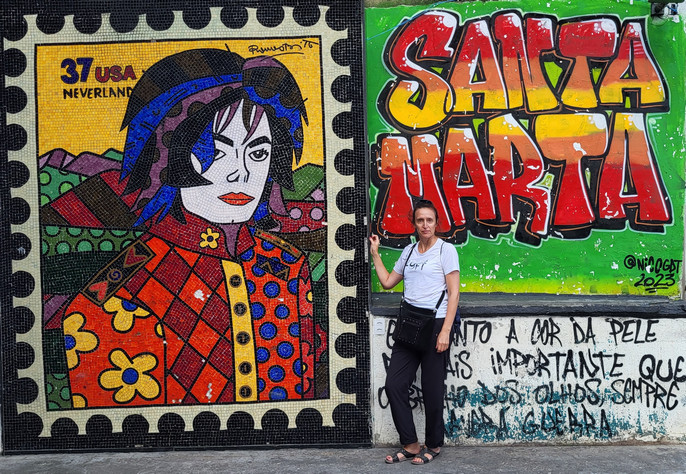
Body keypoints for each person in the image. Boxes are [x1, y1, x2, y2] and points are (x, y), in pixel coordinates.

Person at [45, 49, 327, 407]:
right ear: (167, 158)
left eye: (258, 153)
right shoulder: (124, 292)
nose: (240, 173)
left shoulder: (286, 266)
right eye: (217, 152)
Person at [369, 199, 460, 465]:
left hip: (436, 325)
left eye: (429, 220)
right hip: (408, 325)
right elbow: (388, 282)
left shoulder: (446, 250)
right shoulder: (408, 251)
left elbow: (454, 293)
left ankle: (434, 445)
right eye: (420, 220)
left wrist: (445, 331)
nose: (425, 225)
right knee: (394, 385)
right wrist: (375, 253)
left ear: (436, 223)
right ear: (415, 224)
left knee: (432, 391)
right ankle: (410, 444)